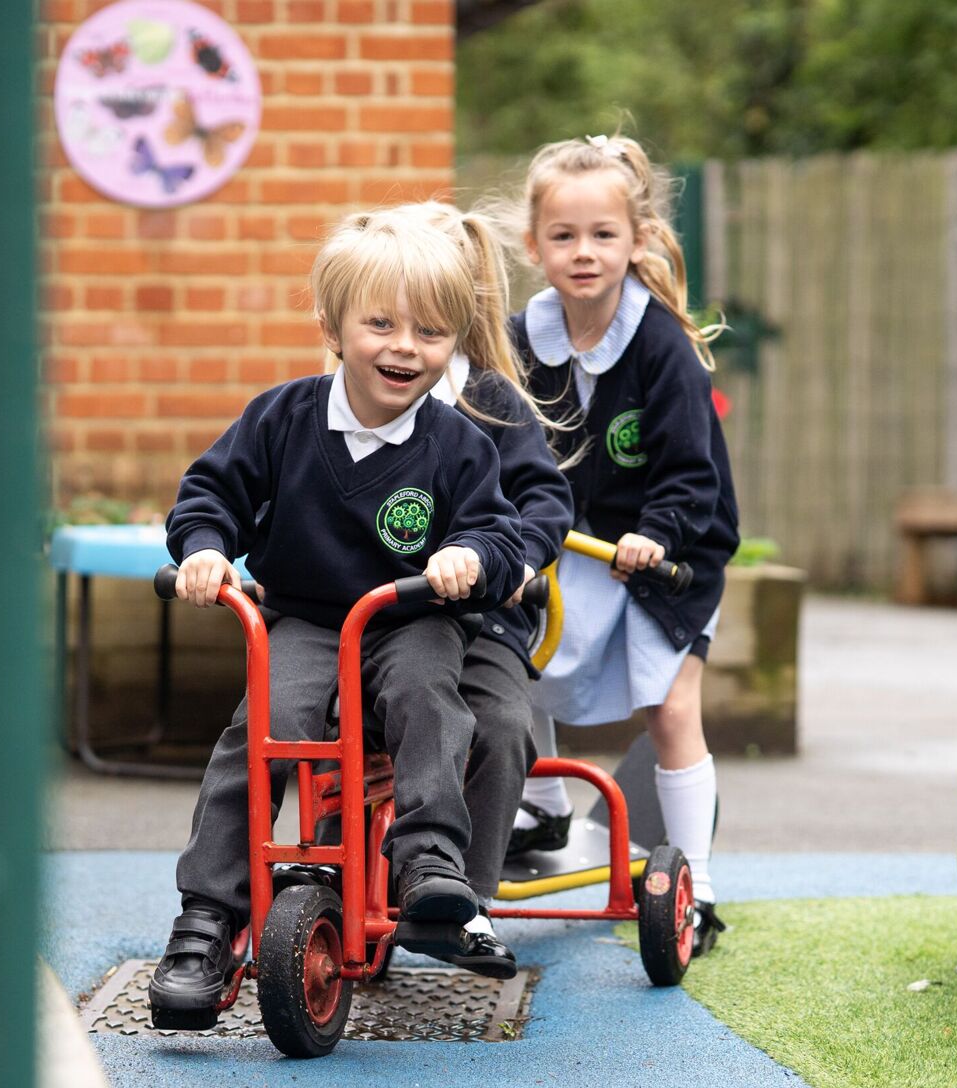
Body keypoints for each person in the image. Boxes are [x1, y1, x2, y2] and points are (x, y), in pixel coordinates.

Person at [147, 212, 528, 1029]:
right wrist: (207, 551)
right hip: (310, 621)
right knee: (264, 725)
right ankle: (207, 920)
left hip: (412, 617)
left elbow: (499, 531)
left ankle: (429, 865)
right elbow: (210, 494)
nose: (403, 347)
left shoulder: (458, 445)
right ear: (332, 326)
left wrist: (469, 559)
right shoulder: (281, 419)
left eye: (429, 331)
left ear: (454, 340)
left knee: (431, 695)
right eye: (381, 324)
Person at [492, 132, 742, 955]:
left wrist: (654, 536)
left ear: (636, 241)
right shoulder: (523, 341)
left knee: (671, 707)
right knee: (508, 649)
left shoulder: (661, 347)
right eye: (564, 237)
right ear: (536, 247)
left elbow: (689, 471)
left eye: (603, 235)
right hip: (570, 543)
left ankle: (697, 889)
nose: (584, 253)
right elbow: (497, 442)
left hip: (675, 547)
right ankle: (544, 806)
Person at [378, 202, 574, 979]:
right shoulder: (354, 395)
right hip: (391, 623)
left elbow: (545, 501)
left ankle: (467, 902)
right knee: (322, 720)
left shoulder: (489, 399)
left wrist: (516, 559)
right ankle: (331, 878)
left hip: (483, 619)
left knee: (498, 724)